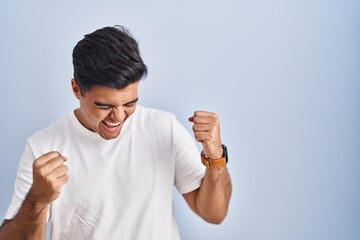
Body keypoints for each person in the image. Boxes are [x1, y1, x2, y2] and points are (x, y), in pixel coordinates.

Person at [0, 25, 232, 239]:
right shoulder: (43, 146)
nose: (119, 117)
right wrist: (37, 200)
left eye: (130, 104)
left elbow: (214, 214)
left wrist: (215, 158)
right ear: (76, 89)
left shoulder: (164, 127)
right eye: (104, 106)